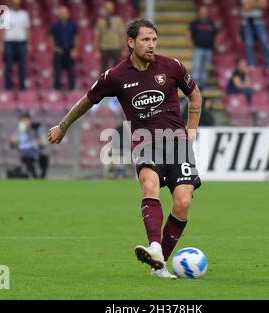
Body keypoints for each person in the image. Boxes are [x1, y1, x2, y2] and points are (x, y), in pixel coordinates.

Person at [48, 19, 203, 279]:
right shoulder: (116, 76)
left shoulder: (172, 66)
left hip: (177, 142)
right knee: (149, 187)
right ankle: (154, 247)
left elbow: (195, 96)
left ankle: (159, 263)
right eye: (145, 39)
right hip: (145, 141)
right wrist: (63, 126)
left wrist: (192, 130)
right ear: (131, 42)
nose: (152, 44)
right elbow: (86, 101)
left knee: (183, 202)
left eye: (154, 39)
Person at [0, 0, 31, 90]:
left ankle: (22, 87)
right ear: (12, 4)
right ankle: (8, 86)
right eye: (14, 3)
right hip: (9, 43)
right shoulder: (6, 14)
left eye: (18, 3)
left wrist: (29, 44)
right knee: (8, 65)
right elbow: (2, 30)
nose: (16, 5)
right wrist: (1, 44)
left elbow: (27, 30)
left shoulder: (24, 14)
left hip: (21, 43)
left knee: (22, 65)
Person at [186, 6, 220, 89]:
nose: (203, 14)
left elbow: (218, 34)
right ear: (199, 13)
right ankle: (194, 85)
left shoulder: (211, 23)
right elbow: (188, 33)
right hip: (198, 48)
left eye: (204, 12)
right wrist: (190, 43)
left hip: (209, 49)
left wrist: (216, 43)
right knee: (197, 66)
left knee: (205, 67)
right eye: (202, 12)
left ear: (207, 13)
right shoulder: (195, 23)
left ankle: (202, 85)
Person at [49, 5, 80, 91]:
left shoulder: (72, 25)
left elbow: (76, 37)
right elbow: (50, 37)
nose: (63, 14)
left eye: (65, 13)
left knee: (71, 71)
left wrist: (75, 49)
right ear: (59, 14)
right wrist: (54, 47)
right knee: (57, 71)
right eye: (61, 13)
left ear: (68, 14)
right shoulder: (55, 25)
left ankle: (72, 89)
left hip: (69, 51)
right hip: (59, 51)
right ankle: (56, 89)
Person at [10, 113, 49, 178]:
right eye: (22, 121)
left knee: (44, 158)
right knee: (27, 159)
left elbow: (43, 142)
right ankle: (35, 177)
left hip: (37, 152)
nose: (24, 123)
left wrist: (38, 138)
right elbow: (12, 142)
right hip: (26, 154)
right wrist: (12, 141)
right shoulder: (19, 131)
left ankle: (42, 177)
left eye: (26, 121)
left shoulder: (36, 129)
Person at [240, 0, 269, 70]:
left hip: (258, 20)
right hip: (246, 21)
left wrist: (252, 4)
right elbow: (246, 6)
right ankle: (251, 64)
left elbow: (264, 5)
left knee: (264, 42)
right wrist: (257, 4)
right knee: (249, 44)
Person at [94, 1, 125, 73]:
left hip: (116, 47)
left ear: (113, 9)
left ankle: (116, 84)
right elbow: (97, 36)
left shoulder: (118, 20)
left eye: (110, 8)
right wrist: (96, 50)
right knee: (103, 69)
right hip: (104, 47)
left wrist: (123, 48)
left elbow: (122, 34)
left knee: (117, 69)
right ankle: (104, 84)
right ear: (105, 9)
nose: (109, 9)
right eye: (107, 8)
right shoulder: (100, 20)